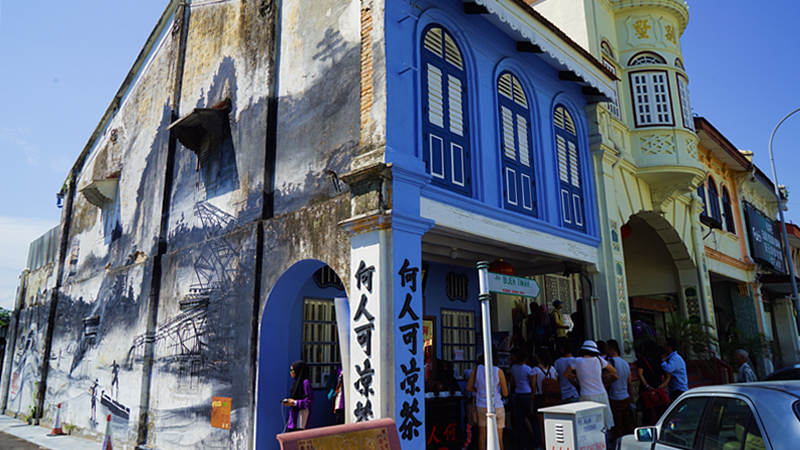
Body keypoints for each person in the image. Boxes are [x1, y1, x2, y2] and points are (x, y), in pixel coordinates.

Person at [564, 340, 616, 432]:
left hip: (586, 395)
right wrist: (601, 375)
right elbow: (613, 371)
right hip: (601, 394)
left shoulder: (577, 361)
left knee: (588, 425)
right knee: (603, 423)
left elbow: (566, 375)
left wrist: (578, 376)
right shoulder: (599, 360)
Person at [467, 348, 509, 450]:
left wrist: (479, 389)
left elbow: (468, 387)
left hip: (481, 405)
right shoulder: (499, 371)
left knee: (482, 437)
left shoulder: (477, 369)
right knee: (499, 438)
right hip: (497, 405)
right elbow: (505, 393)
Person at [635, 340, 669, 426]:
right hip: (658, 389)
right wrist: (662, 386)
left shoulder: (643, 360)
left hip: (646, 390)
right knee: (661, 413)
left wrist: (647, 385)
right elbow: (668, 375)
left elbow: (640, 374)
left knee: (647, 414)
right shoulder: (659, 360)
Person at [605, 340, 633, 443]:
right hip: (625, 396)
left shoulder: (610, 363)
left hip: (615, 396)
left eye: (606, 348)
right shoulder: (625, 363)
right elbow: (629, 381)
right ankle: (631, 440)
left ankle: (618, 443)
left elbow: (610, 376)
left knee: (617, 423)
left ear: (612, 350)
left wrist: (606, 383)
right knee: (627, 421)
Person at [509, 347, 536, 450]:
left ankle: (520, 444)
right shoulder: (528, 369)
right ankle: (534, 439)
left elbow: (512, 383)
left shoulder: (513, 368)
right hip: (527, 393)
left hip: (518, 394)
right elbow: (531, 382)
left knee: (520, 420)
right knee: (533, 418)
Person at [531, 346, 558, 450]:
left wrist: (532, 403)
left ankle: (544, 446)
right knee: (552, 423)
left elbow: (533, 388)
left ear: (537, 356)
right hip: (552, 397)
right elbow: (556, 383)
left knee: (542, 426)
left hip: (540, 398)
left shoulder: (535, 370)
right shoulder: (553, 369)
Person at [284, 360, 314, 431]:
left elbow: (310, 400)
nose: (291, 372)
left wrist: (295, 403)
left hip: (301, 418)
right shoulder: (296, 383)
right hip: (293, 416)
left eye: (292, 370)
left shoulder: (305, 383)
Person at [660, 337, 688, 402]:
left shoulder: (675, 358)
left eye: (665, 345)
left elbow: (668, 369)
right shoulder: (672, 358)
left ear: (670, 347)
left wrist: (663, 361)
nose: (664, 347)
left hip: (679, 389)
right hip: (675, 388)